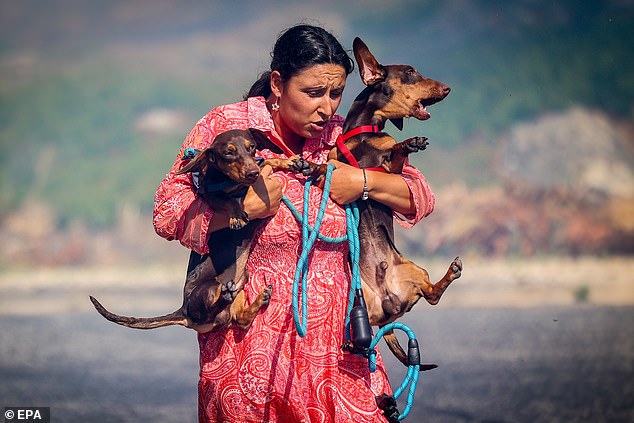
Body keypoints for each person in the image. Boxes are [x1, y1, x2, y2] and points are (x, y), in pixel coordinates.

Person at [153, 24, 435, 423]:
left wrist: (364, 181)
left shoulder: (346, 137)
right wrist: (243, 211)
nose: (327, 107)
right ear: (277, 84)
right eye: (314, 92)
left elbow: (420, 197)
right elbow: (168, 211)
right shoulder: (227, 128)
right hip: (246, 351)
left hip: (341, 353)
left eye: (335, 93)